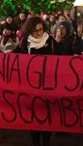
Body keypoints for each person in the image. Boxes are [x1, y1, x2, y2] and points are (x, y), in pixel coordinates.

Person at [15, 17, 55, 146]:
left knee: (46, 117)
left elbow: (64, 56)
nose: (39, 33)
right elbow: (12, 56)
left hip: (48, 86)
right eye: (35, 31)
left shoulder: (51, 41)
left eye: (41, 30)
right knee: (33, 118)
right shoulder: (24, 44)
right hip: (31, 87)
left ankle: (46, 142)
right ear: (29, 31)